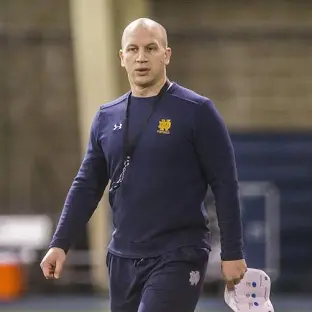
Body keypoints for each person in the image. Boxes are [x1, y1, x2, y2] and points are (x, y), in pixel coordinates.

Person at [40, 17, 247, 312]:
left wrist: (233, 252)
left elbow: (225, 184)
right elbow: (86, 185)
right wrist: (59, 243)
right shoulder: (105, 117)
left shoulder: (197, 111)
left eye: (151, 48)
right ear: (122, 58)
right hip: (122, 256)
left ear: (166, 54)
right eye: (133, 49)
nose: (141, 57)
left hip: (179, 253)